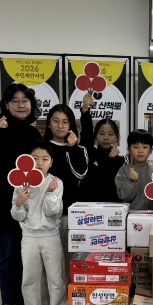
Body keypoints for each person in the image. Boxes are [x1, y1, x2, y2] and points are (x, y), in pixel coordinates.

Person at [0, 83, 41, 305]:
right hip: (4, 200)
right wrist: (1, 131)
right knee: (8, 252)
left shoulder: (33, 133)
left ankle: (28, 297)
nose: (21, 105)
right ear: (6, 105)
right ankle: (11, 299)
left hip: (27, 201)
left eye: (25, 100)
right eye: (15, 101)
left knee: (26, 253)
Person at [11, 139, 66, 305]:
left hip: (50, 235)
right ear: (27, 160)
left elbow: (53, 212)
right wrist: (19, 202)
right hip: (29, 236)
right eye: (34, 158)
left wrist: (50, 193)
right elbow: (18, 216)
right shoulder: (20, 183)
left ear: (51, 162)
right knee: (30, 275)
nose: (40, 163)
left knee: (55, 276)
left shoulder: (56, 183)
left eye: (45, 159)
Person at [43, 104, 88, 268]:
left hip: (69, 212)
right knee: (48, 260)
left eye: (65, 122)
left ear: (71, 125)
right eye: (56, 121)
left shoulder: (79, 149)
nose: (60, 126)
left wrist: (72, 149)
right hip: (44, 212)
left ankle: (69, 285)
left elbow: (80, 174)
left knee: (70, 259)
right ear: (49, 123)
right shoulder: (42, 148)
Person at [77, 92, 126, 202]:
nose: (106, 138)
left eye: (110, 134)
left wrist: (112, 160)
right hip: (88, 206)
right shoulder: (89, 154)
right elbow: (86, 135)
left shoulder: (122, 160)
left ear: (117, 138)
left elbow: (118, 186)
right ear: (95, 136)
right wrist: (85, 111)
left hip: (113, 207)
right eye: (101, 133)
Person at [115, 129, 153, 211]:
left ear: (150, 151)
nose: (140, 151)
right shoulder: (123, 171)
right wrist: (131, 182)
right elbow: (125, 197)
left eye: (145, 147)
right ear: (129, 150)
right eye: (136, 147)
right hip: (131, 215)